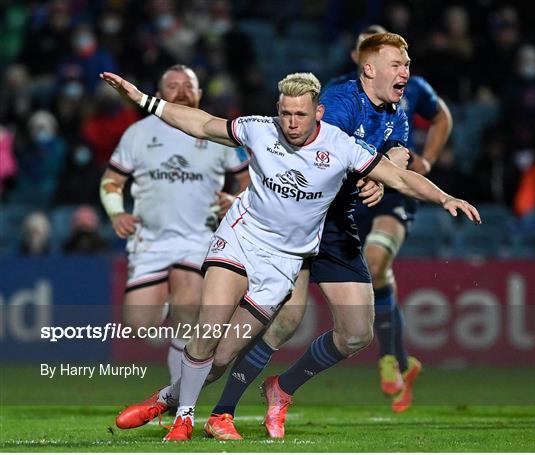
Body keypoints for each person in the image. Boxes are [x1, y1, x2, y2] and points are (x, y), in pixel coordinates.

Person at [100, 67, 480, 442]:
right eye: (285, 113)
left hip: (283, 261)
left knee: (221, 357)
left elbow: (399, 178)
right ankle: (185, 421)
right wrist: (144, 100)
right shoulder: (259, 129)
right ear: (277, 110)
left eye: (300, 114)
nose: (292, 123)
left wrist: (444, 196)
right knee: (209, 330)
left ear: (318, 112)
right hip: (241, 238)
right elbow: (201, 124)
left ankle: (164, 399)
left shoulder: (341, 147)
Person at [193, 31, 432, 441]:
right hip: (299, 222)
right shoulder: (338, 104)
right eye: (398, 64)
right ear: (368, 67)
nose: (405, 71)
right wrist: (243, 194)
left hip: (337, 225)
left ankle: (281, 388)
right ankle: (218, 410)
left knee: (357, 333)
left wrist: (389, 173)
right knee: (284, 319)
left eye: (407, 65)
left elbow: (394, 154)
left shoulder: (397, 111)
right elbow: (291, 158)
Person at [99, 64, 250, 386]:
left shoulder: (217, 131)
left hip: (200, 238)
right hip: (150, 240)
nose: (181, 91)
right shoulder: (138, 133)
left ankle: (178, 396)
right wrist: (116, 213)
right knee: (139, 323)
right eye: (173, 85)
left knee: (188, 307)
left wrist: (236, 199)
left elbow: (248, 178)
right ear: (158, 95)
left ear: (199, 93)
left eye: (188, 85)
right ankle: (175, 331)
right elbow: (112, 181)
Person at [329, 24, 454, 412]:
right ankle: (400, 361)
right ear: (361, 61)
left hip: (396, 187)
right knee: (373, 271)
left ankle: (389, 357)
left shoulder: (412, 88)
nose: (401, 69)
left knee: (378, 259)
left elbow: (442, 118)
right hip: (353, 194)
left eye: (402, 60)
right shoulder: (341, 94)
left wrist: (427, 159)